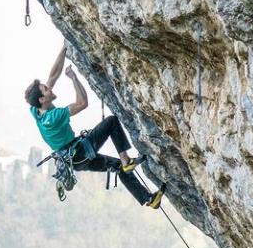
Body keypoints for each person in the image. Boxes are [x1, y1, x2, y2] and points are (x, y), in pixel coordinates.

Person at [25, 44, 165, 209]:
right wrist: (74, 78)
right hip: (79, 152)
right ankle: (126, 159)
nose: (49, 88)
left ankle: (149, 199)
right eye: (46, 89)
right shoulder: (53, 117)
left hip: (74, 160)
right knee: (111, 122)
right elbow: (82, 103)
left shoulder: (36, 110)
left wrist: (64, 49)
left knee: (119, 168)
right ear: (42, 99)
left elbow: (53, 75)